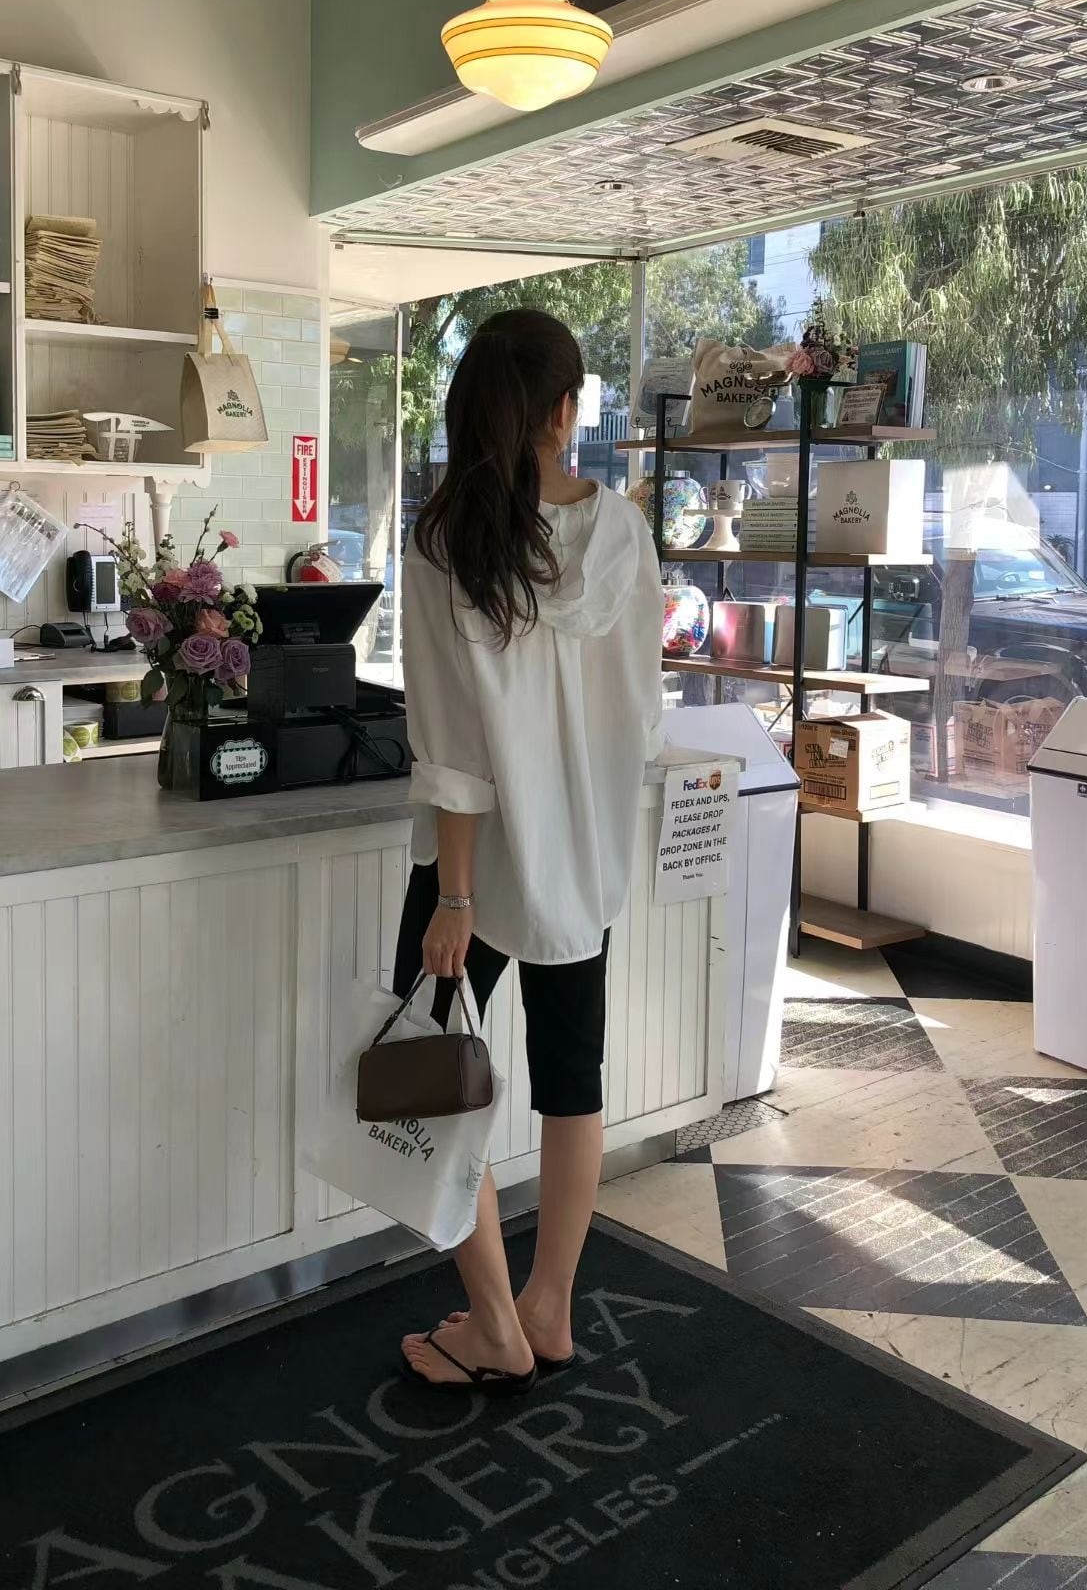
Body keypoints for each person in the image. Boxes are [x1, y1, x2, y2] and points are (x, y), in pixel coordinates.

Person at [395, 307, 664, 1393]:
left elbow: (453, 754)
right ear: (565, 408)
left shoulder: (445, 543)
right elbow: (642, 712)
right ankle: (550, 1308)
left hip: (475, 873)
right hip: (585, 857)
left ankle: (497, 1324)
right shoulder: (625, 533)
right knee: (571, 1081)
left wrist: (455, 897)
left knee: (431, 1080)